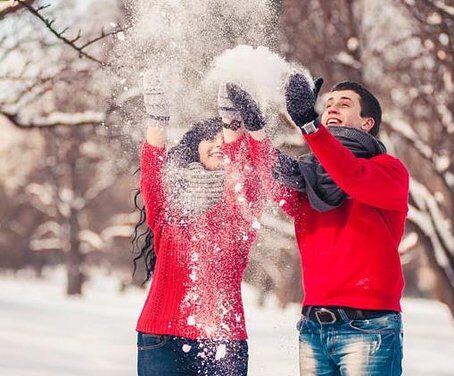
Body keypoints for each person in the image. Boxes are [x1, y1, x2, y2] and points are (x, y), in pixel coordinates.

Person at [131, 69, 273, 376]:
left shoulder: (239, 206)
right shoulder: (171, 209)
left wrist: (234, 126)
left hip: (223, 341)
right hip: (160, 339)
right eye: (211, 137)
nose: (218, 142)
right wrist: (157, 123)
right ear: (195, 148)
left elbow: (258, 175)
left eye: (223, 137)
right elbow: (152, 176)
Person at [274, 73, 409, 375]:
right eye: (329, 103)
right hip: (313, 327)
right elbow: (267, 185)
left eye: (344, 104)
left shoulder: (389, 171)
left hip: (369, 327)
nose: (332, 108)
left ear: (367, 123)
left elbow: (350, 176)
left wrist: (311, 126)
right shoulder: (307, 178)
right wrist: (251, 134)